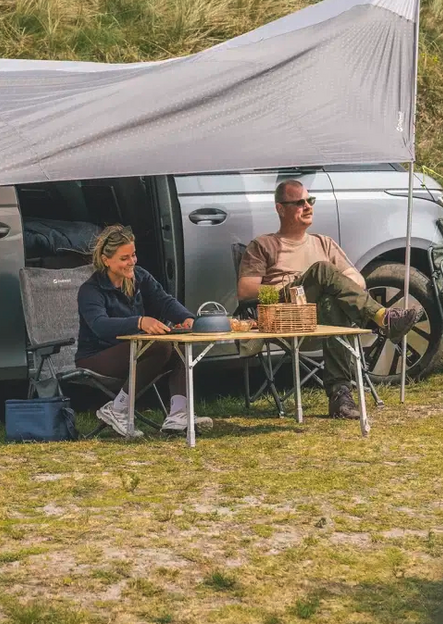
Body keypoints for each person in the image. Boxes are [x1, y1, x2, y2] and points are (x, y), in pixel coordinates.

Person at [237, 179, 425, 420]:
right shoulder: (264, 245)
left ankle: (340, 396)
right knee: (322, 271)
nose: (307, 207)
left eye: (310, 201)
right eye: (299, 203)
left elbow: (357, 281)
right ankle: (383, 319)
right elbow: (246, 291)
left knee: (331, 300)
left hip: (324, 317)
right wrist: (284, 289)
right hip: (285, 314)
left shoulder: (323, 242)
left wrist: (329, 289)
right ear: (280, 209)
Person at [75, 224, 210, 438]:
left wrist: (187, 318)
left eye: (133, 255)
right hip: (96, 357)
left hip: (132, 350)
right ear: (106, 260)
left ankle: (179, 414)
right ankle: (117, 409)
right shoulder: (91, 290)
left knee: (181, 345)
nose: (132, 262)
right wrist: (139, 322)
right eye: (124, 258)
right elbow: (100, 326)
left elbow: (164, 301)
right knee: (160, 346)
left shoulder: (139, 276)